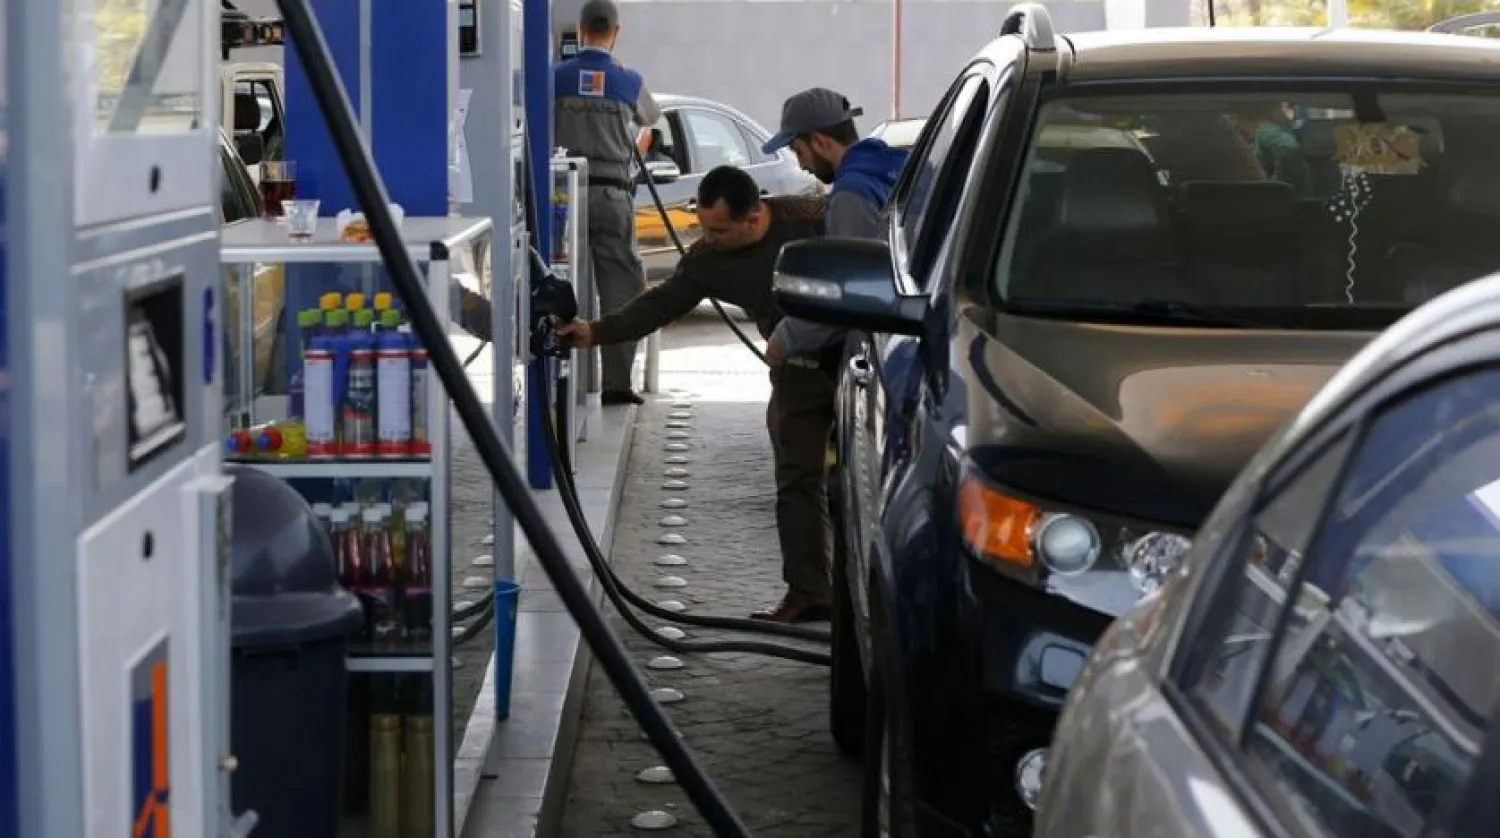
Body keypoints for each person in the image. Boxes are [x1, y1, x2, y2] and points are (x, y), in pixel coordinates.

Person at [556, 166, 835, 623]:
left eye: (719, 230)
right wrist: (595, 332)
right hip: (796, 372)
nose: (709, 238)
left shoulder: (810, 218)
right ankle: (809, 593)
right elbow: (660, 304)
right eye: (704, 226)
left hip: (857, 351)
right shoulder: (708, 259)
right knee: (797, 480)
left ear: (755, 217)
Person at [553, 0, 661, 405]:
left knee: (565, 282)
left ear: (580, 30)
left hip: (564, 196)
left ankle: (564, 383)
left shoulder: (556, 76)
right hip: (614, 194)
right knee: (622, 288)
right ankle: (617, 385)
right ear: (616, 32)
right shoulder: (628, 81)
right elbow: (651, 122)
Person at [759, 87, 909, 368]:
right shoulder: (895, 166)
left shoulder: (851, 195)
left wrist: (784, 339)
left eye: (798, 152)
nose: (802, 166)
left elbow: (848, 292)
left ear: (820, 142)